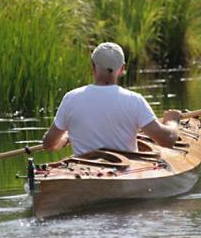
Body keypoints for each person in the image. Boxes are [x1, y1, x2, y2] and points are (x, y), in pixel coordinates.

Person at [42, 42, 181, 156]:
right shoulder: (134, 100)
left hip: (84, 173)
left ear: (93, 67)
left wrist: (65, 138)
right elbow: (167, 140)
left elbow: (49, 144)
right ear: (122, 69)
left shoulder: (70, 98)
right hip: (126, 174)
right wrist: (173, 121)